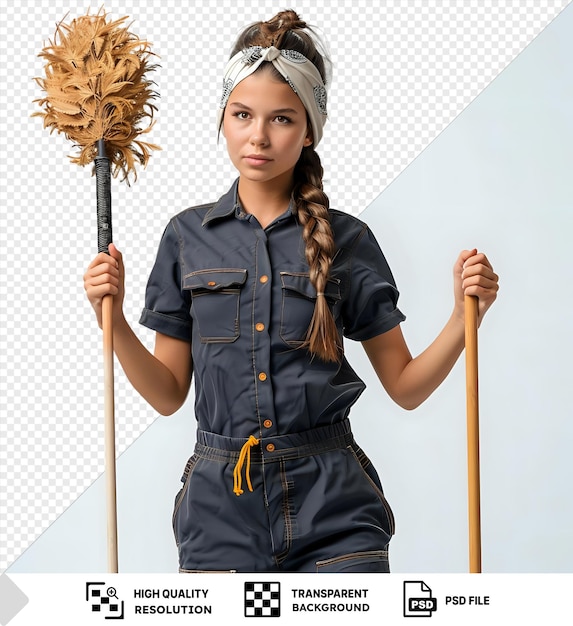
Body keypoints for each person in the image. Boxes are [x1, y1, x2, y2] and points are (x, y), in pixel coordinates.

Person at [84, 10, 499, 573]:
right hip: (219, 513)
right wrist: (110, 320)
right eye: (243, 115)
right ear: (223, 119)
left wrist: (463, 318)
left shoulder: (348, 240)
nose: (259, 135)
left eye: (281, 118)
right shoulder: (186, 239)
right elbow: (166, 394)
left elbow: (405, 387)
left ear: (309, 130)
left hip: (334, 511)